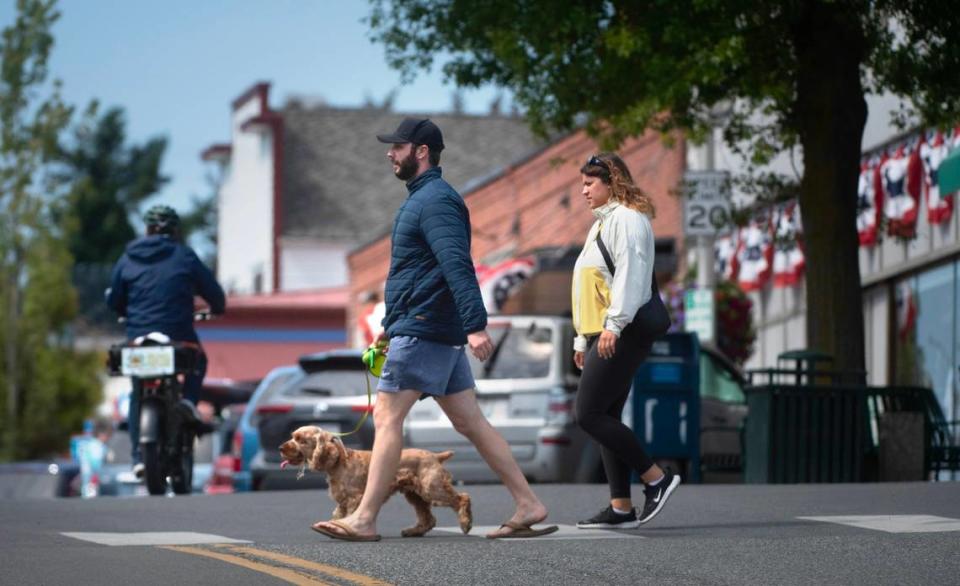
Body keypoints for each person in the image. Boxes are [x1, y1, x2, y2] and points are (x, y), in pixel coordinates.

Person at [312, 118, 556, 542]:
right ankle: (528, 503)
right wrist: (390, 327)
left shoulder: (436, 202)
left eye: (398, 147)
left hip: (426, 329)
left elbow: (456, 264)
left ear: (421, 151)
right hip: (423, 327)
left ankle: (365, 518)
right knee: (472, 423)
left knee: (387, 417)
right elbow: (417, 273)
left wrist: (476, 324)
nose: (390, 153)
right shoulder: (424, 200)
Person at [571, 153, 680, 529]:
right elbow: (591, 286)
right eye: (582, 183)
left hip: (622, 330)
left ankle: (656, 478)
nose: (583, 190)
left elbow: (630, 278)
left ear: (611, 183)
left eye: (590, 183)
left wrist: (613, 327)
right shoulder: (601, 224)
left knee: (588, 414)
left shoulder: (628, 221)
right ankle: (620, 506)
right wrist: (581, 339)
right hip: (601, 331)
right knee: (606, 415)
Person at [106, 205, 226, 477]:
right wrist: (216, 308)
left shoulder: (127, 257)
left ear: (147, 230)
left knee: (138, 390)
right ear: (175, 231)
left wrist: (124, 311)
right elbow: (214, 293)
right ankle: (188, 402)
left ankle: (138, 457)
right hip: (178, 336)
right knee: (199, 361)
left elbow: (114, 300)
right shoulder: (184, 256)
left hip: (138, 339)